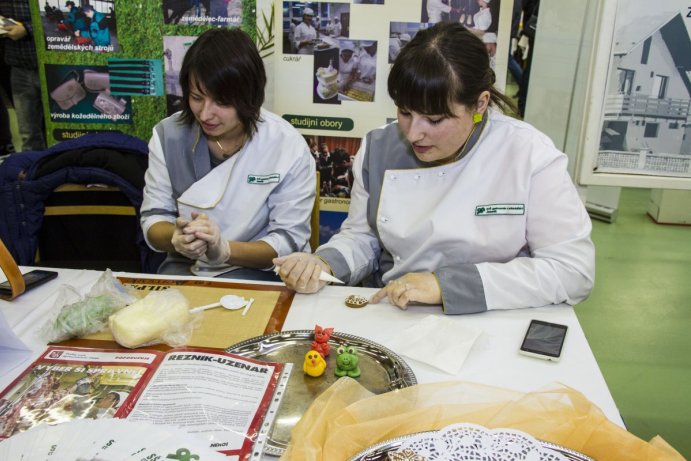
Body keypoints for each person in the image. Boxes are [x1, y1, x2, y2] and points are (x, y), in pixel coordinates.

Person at [274, 22, 594, 315]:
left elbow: (573, 271)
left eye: (435, 120)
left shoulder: (528, 155)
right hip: (397, 312)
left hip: (495, 315)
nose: (414, 134)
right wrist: (321, 263)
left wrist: (445, 284)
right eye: (404, 112)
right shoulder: (378, 149)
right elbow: (363, 237)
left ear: (480, 104)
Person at [141, 28, 315, 280]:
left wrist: (224, 249)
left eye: (222, 102)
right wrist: (175, 238)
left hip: (258, 276)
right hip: (184, 272)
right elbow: (153, 219)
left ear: (250, 97)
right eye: (196, 97)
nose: (205, 114)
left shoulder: (285, 146)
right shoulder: (169, 136)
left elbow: (288, 240)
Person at [0, 0, 46, 151]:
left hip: (49, 64)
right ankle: (32, 170)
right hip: (18, 65)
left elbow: (56, 18)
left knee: (59, 127)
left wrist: (27, 28)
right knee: (28, 133)